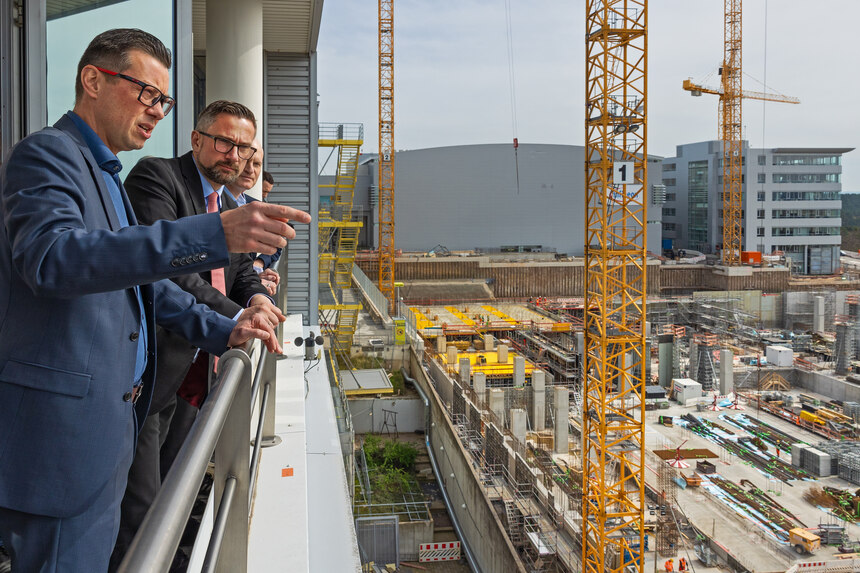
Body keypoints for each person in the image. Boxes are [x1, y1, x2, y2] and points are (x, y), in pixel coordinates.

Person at [0, 28, 310, 572]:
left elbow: (144, 284)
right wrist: (213, 234)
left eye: (163, 101)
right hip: (63, 445)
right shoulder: (45, 156)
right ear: (92, 80)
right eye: (147, 94)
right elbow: (51, 260)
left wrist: (226, 328)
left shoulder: (108, 176)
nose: (156, 112)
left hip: (106, 434)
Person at [110, 102, 285, 568]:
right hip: (149, 373)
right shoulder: (158, 178)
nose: (235, 155)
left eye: (244, 147)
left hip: (197, 374)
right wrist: (234, 319)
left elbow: (243, 269)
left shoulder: (228, 202)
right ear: (197, 140)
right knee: (142, 508)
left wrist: (258, 302)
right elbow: (166, 271)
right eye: (225, 142)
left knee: (177, 486)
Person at [225, 144, 281, 280]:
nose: (250, 169)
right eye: (245, 160)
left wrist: (257, 269)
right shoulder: (210, 200)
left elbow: (277, 244)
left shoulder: (256, 207)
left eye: (256, 164)